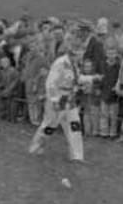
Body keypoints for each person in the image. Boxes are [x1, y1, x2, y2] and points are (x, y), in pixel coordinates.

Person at [29, 33, 85, 162]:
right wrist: (54, 100)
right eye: (79, 53)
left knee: (74, 125)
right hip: (59, 99)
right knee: (49, 126)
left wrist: (87, 81)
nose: (81, 55)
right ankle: (36, 147)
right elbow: (50, 83)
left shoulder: (75, 64)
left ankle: (77, 156)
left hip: (70, 99)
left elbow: (75, 79)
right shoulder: (60, 63)